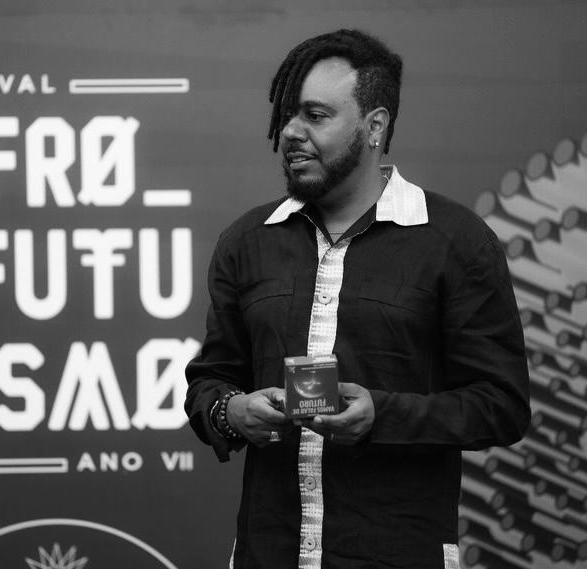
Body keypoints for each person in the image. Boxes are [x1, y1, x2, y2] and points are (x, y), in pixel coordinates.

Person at [184, 28, 531, 569]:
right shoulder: (247, 241)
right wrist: (232, 412)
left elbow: (502, 407)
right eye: (288, 115)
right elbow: (210, 381)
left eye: (315, 116)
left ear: (374, 126)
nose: (291, 132)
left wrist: (381, 416)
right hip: (268, 553)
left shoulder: (456, 242)